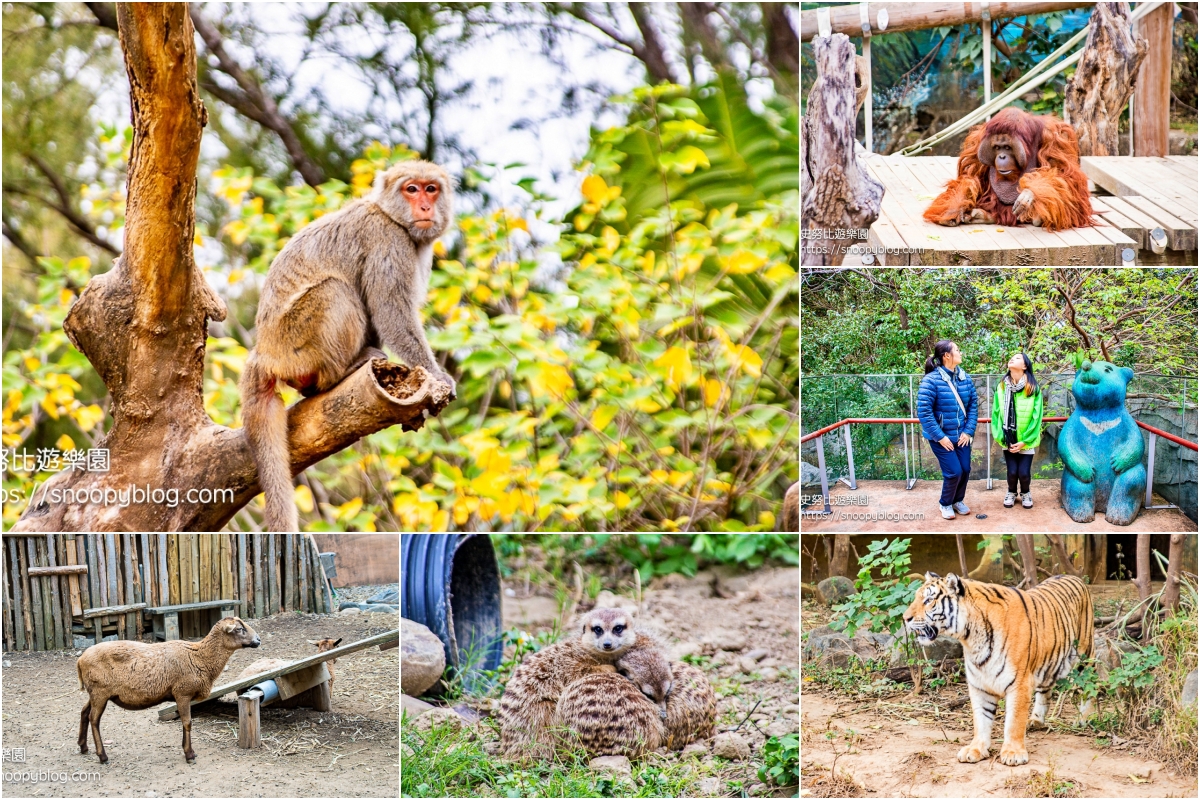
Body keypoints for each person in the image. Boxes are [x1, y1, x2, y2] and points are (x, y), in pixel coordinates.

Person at [917, 340, 978, 521]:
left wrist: (968, 431)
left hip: (961, 435)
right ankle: (945, 503)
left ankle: (957, 500)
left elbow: (973, 405)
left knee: (965, 469)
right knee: (953, 472)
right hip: (941, 437)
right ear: (947, 356)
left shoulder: (964, 378)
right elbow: (924, 412)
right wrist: (940, 436)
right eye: (957, 350)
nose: (960, 353)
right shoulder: (931, 380)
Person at [991, 352, 1043, 508]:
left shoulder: (1033, 388)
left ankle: (1026, 493)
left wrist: (1025, 441)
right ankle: (1011, 492)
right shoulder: (1001, 387)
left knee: (1024, 473)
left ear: (1025, 366)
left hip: (1026, 440)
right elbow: (996, 414)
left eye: (1018, 358)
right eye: (1012, 357)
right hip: (1008, 439)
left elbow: (1037, 417)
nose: (1012, 359)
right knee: (1012, 472)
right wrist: (1002, 438)